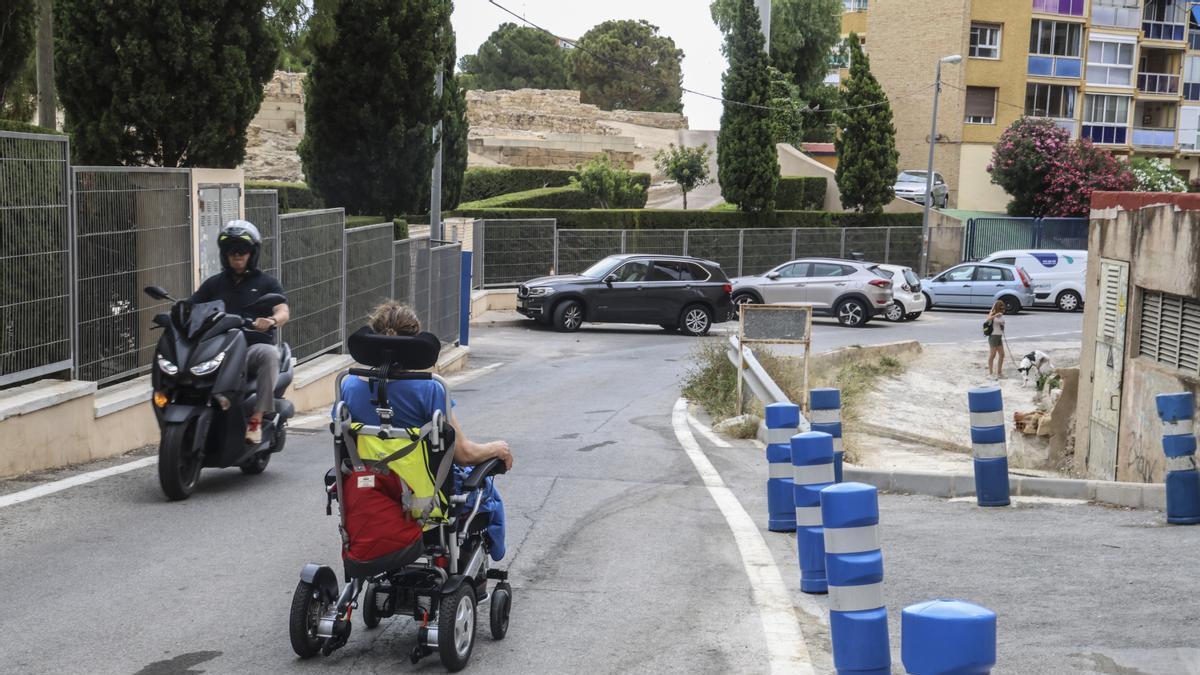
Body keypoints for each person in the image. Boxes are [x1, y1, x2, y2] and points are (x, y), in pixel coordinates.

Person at [339, 301, 513, 471]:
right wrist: (497, 448)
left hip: (364, 488)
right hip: (419, 492)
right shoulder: (430, 388)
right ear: (413, 343)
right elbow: (464, 455)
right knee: (488, 496)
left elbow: (342, 442)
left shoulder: (349, 385)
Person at [189, 220, 289, 443]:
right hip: (219, 346)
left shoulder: (267, 283)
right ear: (224, 254)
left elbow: (283, 310)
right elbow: (192, 305)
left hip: (251, 347)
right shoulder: (213, 284)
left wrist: (271, 320)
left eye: (242, 250)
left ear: (252, 253)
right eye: (231, 250)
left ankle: (256, 418)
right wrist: (176, 313)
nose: (237, 255)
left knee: (269, 354)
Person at [985, 299, 1007, 379]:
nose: (1003, 310)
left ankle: (999, 373)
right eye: (1001, 308)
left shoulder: (1002, 315)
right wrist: (995, 315)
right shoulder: (993, 313)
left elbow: (1001, 323)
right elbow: (987, 319)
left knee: (1002, 354)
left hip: (999, 336)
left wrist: (1002, 325)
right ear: (997, 307)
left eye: (1003, 308)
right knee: (993, 355)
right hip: (993, 336)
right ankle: (990, 373)